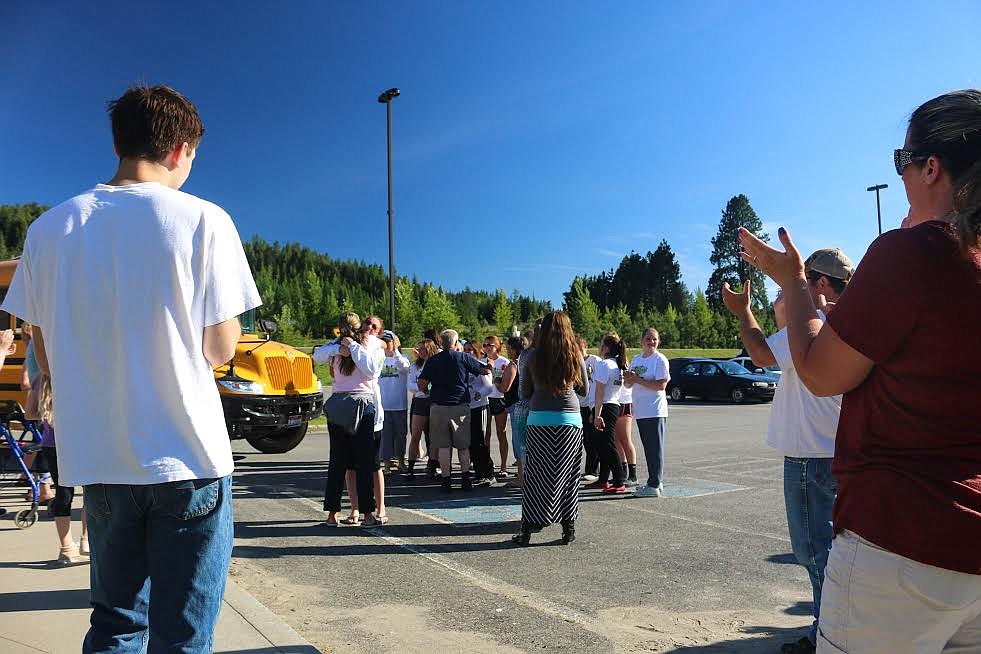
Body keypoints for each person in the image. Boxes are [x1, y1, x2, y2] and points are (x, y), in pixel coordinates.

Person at [1, 85, 260, 652]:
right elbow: (220, 348)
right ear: (180, 149)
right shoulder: (205, 221)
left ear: (118, 142)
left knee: (117, 624)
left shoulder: (48, 231)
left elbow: (41, 348)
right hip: (188, 455)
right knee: (184, 635)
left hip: (102, 459)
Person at [738, 90, 981, 654]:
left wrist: (794, 282)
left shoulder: (914, 252)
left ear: (931, 167)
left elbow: (822, 371)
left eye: (901, 161)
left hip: (901, 541)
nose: (898, 176)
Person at [723, 249, 853, 654]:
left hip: (808, 458)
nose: (791, 287)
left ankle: (826, 635)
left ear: (819, 285)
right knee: (834, 550)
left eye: (801, 279)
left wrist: (744, 313)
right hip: (836, 454)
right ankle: (834, 628)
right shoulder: (845, 323)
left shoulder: (809, 325)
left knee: (813, 552)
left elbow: (760, 355)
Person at [512, 311, 588, 546]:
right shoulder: (575, 354)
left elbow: (524, 392)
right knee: (569, 475)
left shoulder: (532, 356)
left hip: (540, 420)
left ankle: (527, 529)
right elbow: (584, 390)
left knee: (535, 475)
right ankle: (568, 529)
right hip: (569, 421)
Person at [313, 312, 384, 527]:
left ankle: (332, 513)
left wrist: (345, 348)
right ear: (360, 325)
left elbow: (317, 355)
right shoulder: (362, 344)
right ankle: (368, 515)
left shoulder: (344, 346)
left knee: (338, 462)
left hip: (339, 404)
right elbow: (372, 370)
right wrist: (344, 348)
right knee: (363, 462)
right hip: (361, 404)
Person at [417, 329, 492, 492]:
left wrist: (429, 391)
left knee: (443, 446)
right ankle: (465, 479)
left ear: (441, 343)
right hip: (460, 405)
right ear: (456, 342)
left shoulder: (433, 360)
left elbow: (421, 384)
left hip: (438, 406)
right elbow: (485, 370)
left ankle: (446, 480)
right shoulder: (464, 357)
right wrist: (490, 365)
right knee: (463, 446)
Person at [35, 373, 90, 565]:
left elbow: (29, 413)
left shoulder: (42, 378)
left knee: (63, 493)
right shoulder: (76, 376)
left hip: (51, 444)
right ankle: (86, 541)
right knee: (89, 490)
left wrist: (46, 409)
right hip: (78, 442)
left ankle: (66, 547)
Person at [624, 328, 671, 499]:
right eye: (648, 339)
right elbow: (628, 385)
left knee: (655, 448)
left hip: (655, 410)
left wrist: (637, 379)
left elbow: (661, 385)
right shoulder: (636, 359)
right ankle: (655, 481)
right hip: (641, 411)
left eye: (655, 339)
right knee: (649, 448)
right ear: (642, 340)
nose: (651, 342)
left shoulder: (659, 360)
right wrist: (628, 378)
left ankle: (654, 484)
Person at [585, 332, 628, 493]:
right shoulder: (618, 364)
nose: (598, 347)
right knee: (601, 445)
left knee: (608, 445)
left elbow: (600, 391)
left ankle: (619, 481)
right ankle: (603, 479)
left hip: (605, 407)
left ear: (606, 348)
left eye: (601, 344)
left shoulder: (605, 365)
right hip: (610, 406)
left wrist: (597, 414)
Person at [463, 340, 496, 486]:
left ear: (476, 351)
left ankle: (488, 473)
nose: (467, 352)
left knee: (479, 442)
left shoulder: (481, 367)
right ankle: (478, 473)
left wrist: (479, 394)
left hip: (480, 407)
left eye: (470, 349)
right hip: (466, 408)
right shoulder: (463, 366)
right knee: (470, 442)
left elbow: (489, 387)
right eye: (465, 349)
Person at [378, 330, 410, 476]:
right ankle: (386, 464)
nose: (386, 344)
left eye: (388, 341)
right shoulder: (378, 358)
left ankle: (401, 461)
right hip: (383, 405)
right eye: (383, 341)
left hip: (399, 405)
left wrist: (395, 350)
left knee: (400, 435)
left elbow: (405, 367)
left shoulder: (402, 357)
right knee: (385, 437)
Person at [405, 338, 437, 480]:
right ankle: (410, 468)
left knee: (433, 435)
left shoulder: (436, 363)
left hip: (434, 401)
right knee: (416, 434)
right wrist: (419, 388)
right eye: (419, 349)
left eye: (423, 349)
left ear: (430, 349)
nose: (420, 352)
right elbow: (410, 384)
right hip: (419, 400)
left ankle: (433, 465)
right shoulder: (415, 366)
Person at [496, 336, 525, 488]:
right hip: (526, 404)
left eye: (508, 348)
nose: (507, 351)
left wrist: (497, 381)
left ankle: (521, 477)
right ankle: (524, 475)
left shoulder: (514, 365)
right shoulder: (528, 363)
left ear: (514, 349)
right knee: (525, 442)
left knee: (518, 442)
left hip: (516, 405)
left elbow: (505, 388)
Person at [482, 335, 511, 479]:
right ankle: (487, 464)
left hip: (499, 400)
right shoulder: (482, 362)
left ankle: (504, 465)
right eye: (485, 344)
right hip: (486, 400)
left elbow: (509, 386)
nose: (488, 347)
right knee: (486, 435)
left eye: (491, 345)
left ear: (498, 346)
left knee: (501, 433)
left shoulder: (504, 362)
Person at [576, 335, 601, 482]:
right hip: (577, 405)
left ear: (586, 347)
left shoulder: (594, 361)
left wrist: (595, 407)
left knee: (591, 439)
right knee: (582, 440)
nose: (578, 351)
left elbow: (598, 383)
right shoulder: (573, 362)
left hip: (590, 404)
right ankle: (585, 469)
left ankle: (593, 470)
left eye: (580, 348)